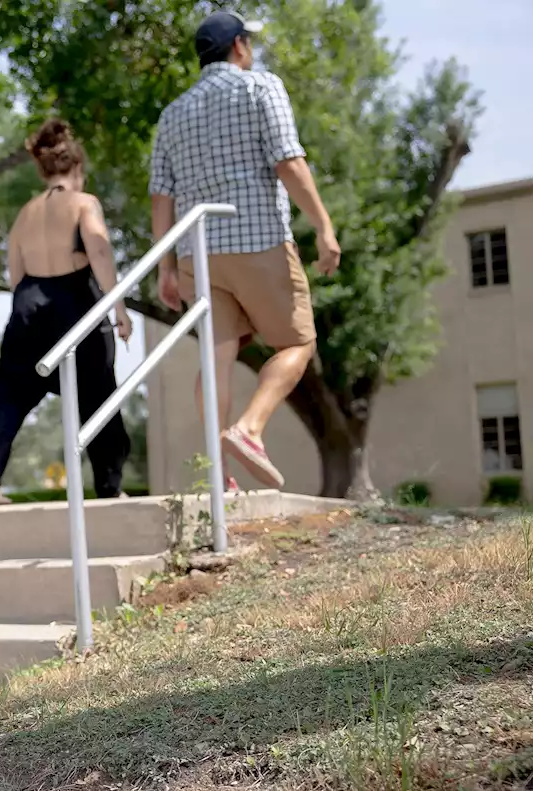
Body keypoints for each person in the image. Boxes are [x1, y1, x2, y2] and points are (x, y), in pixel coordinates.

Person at [149, 9, 340, 490]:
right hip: (256, 239)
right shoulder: (260, 87)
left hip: (197, 253)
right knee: (298, 342)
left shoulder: (172, 114)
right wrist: (323, 226)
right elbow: (288, 161)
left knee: (217, 358)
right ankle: (249, 429)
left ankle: (219, 472)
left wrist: (165, 269)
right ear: (238, 45)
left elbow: (161, 198)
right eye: (249, 43)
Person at [0, 119, 133, 506]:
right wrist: (118, 307)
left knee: (10, 392)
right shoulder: (83, 203)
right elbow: (98, 249)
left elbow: (15, 273)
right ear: (77, 168)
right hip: (74, 299)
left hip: (29, 301)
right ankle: (109, 486)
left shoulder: (24, 215)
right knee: (98, 394)